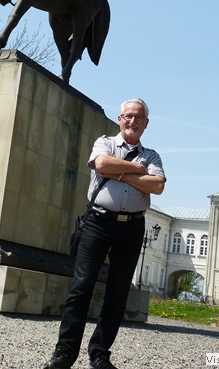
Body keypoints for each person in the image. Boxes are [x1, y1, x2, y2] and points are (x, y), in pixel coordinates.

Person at [43, 99, 166, 369]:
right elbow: (101, 165)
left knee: (117, 294)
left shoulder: (152, 156)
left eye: (139, 117)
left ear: (146, 124)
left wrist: (118, 173)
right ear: (120, 119)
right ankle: (65, 352)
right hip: (97, 223)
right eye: (128, 116)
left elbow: (157, 185)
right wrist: (137, 170)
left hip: (132, 228)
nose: (133, 121)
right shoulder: (105, 142)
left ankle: (99, 354)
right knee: (81, 288)